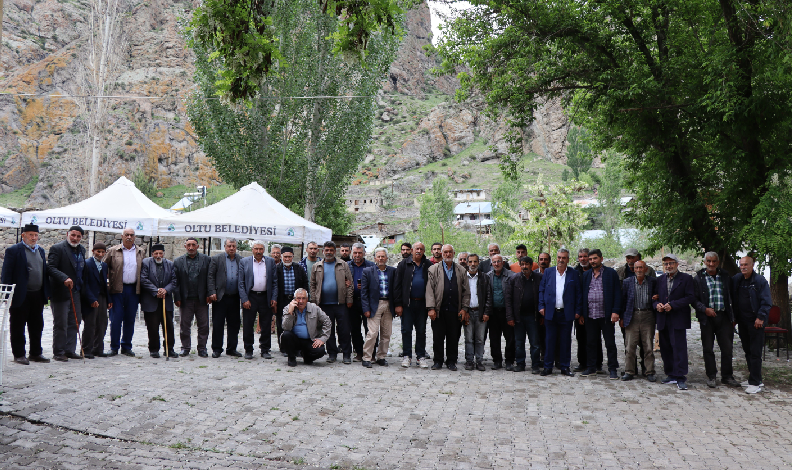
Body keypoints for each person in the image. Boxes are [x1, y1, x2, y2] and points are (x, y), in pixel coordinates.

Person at [1, 224, 50, 365]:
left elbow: (44, 272)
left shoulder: (40, 250)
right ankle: (19, 354)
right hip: (20, 294)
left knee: (37, 325)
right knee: (18, 325)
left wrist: (46, 292)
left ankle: (35, 353)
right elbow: (6, 274)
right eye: (31, 235)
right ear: (23, 235)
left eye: (36, 235)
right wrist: (7, 296)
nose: (34, 238)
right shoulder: (13, 250)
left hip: (37, 294)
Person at [693, 252, 739, 388]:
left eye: (714, 261)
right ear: (704, 262)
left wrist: (733, 316)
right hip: (706, 318)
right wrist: (704, 309)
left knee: (727, 348)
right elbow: (693, 299)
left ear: (718, 262)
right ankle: (711, 376)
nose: (711, 264)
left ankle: (727, 376)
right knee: (708, 348)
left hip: (723, 316)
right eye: (708, 261)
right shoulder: (698, 278)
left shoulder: (725, 276)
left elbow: (732, 296)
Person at [653, 254, 695, 390]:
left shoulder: (686, 278)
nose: (668, 266)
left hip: (678, 318)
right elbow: (654, 298)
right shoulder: (660, 279)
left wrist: (673, 305)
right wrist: (657, 305)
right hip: (663, 318)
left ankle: (680, 376)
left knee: (679, 347)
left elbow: (690, 297)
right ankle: (670, 373)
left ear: (677, 264)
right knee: (665, 347)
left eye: (671, 263)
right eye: (666, 264)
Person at [537, 248, 581, 377]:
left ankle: (565, 367)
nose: (561, 260)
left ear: (568, 259)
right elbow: (541, 290)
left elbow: (578, 293)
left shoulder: (573, 273)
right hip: (550, 312)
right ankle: (548, 367)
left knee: (565, 341)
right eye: (559, 257)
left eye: (564, 258)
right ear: (556, 258)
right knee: (549, 340)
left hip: (566, 313)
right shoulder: (549, 272)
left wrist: (578, 310)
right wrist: (541, 306)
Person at [426, 244, 470, 371]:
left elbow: (466, 292)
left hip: (455, 310)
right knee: (438, 337)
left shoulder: (461, 270)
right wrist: (431, 308)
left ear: (454, 253)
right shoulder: (433, 269)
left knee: (453, 337)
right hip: (439, 310)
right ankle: (438, 361)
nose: (448, 254)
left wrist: (464, 308)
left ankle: (451, 361)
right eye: (445, 252)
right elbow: (429, 290)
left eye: (450, 252)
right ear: (441, 253)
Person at [579, 249, 622, 379]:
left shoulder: (611, 273)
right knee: (591, 343)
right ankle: (591, 367)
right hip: (590, 314)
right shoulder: (586, 275)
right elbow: (582, 295)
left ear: (601, 259)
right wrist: (582, 313)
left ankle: (612, 369)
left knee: (610, 343)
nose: (592, 261)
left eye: (595, 258)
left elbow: (617, 293)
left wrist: (615, 311)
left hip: (606, 315)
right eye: (590, 259)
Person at [732, 256, 771, 394]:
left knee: (755, 352)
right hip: (742, 322)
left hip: (756, 323)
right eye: (741, 264)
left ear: (752, 265)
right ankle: (755, 378)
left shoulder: (760, 281)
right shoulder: (737, 279)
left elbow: (766, 301)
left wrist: (760, 317)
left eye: (746, 264)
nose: (743, 267)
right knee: (748, 350)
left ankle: (755, 383)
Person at [309, 241, 353, 364]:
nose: (329, 252)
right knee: (328, 330)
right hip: (323, 304)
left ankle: (346, 354)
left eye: (331, 250)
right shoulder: (317, 266)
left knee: (344, 330)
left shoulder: (343, 264)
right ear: (323, 251)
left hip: (341, 304)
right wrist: (314, 301)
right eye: (327, 250)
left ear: (335, 251)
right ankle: (332, 353)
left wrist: (349, 299)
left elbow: (350, 283)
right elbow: (312, 285)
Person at [47, 226, 87, 361]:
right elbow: (50, 268)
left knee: (75, 321)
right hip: (60, 291)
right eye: (73, 235)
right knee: (61, 323)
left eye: (78, 236)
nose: (75, 238)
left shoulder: (82, 250)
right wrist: (64, 278)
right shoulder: (57, 248)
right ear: (67, 234)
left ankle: (70, 350)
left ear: (81, 237)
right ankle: (59, 352)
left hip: (76, 291)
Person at [104, 228, 145, 356]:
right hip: (116, 289)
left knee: (130, 319)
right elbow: (103, 268)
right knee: (116, 319)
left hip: (133, 289)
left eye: (131, 235)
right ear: (122, 236)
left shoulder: (140, 252)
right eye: (126, 235)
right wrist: (107, 286)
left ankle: (126, 346)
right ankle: (114, 347)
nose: (129, 237)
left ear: (135, 237)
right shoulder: (113, 251)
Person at [394, 241, 432, 368]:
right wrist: (398, 304)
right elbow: (397, 285)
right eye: (417, 249)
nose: (419, 251)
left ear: (424, 251)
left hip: (422, 303)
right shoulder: (403, 264)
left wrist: (431, 305)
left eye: (421, 249)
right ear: (412, 250)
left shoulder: (428, 264)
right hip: (407, 304)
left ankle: (420, 356)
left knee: (421, 330)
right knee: (406, 330)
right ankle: (407, 356)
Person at [172, 238, 211, 357]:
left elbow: (210, 278)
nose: (191, 247)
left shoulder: (206, 259)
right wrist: (177, 297)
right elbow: (175, 281)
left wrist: (209, 294)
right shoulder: (178, 261)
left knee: (203, 325)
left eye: (193, 245)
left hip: (202, 299)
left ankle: (202, 348)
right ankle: (185, 348)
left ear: (198, 246)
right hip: (185, 299)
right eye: (188, 245)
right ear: (185, 246)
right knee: (184, 325)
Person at [239, 240, 278, 360]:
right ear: (252, 249)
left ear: (264, 250)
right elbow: (241, 283)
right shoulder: (244, 261)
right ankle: (248, 349)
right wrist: (244, 299)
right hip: (250, 297)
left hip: (266, 297)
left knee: (266, 324)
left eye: (261, 249)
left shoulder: (270, 261)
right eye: (256, 249)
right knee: (248, 324)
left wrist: (274, 297)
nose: (258, 251)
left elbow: (275, 282)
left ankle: (265, 349)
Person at [505, 256, 543, 374]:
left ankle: (535, 365)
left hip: (533, 316)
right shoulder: (513, 279)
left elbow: (543, 297)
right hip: (518, 317)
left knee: (535, 343)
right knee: (519, 342)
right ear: (520, 265)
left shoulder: (539, 278)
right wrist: (510, 317)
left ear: (531, 265)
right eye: (522, 264)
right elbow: (508, 299)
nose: (524, 266)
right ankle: (520, 364)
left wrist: (542, 316)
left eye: (527, 264)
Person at [621, 260, 657, 382]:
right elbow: (623, 301)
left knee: (648, 346)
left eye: (641, 267)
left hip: (648, 315)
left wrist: (656, 297)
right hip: (632, 315)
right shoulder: (627, 282)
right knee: (630, 346)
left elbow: (658, 295)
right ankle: (629, 371)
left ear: (646, 269)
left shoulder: (653, 281)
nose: (639, 270)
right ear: (633, 269)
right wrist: (622, 317)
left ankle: (649, 371)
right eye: (636, 268)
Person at [139, 244, 178, 358]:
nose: (158, 255)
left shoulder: (170, 264)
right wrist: (156, 291)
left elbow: (174, 280)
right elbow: (143, 279)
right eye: (156, 253)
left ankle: (169, 349)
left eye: (160, 253)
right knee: (152, 327)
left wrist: (165, 290)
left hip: (166, 300)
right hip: (151, 300)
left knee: (168, 326)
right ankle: (154, 349)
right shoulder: (146, 263)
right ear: (152, 254)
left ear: (164, 253)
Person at [361, 248, 397, 368]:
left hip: (389, 304)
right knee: (372, 333)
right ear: (375, 258)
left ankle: (381, 356)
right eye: (379, 256)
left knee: (386, 333)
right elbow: (364, 292)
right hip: (374, 305)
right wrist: (366, 308)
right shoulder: (367, 271)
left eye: (383, 256)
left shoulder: (393, 271)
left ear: (387, 258)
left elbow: (396, 289)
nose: (381, 258)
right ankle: (366, 357)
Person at [208, 238, 242, 358]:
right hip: (220, 297)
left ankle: (231, 348)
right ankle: (217, 349)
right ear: (225, 246)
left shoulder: (241, 260)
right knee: (218, 324)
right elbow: (210, 276)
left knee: (234, 324)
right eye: (229, 246)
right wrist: (212, 292)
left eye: (233, 246)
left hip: (235, 297)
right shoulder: (216, 259)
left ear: (236, 247)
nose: (231, 248)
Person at [281, 288, 331, 367]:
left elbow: (327, 321)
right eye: (298, 298)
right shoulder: (288, 308)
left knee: (320, 351)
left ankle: (307, 357)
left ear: (307, 299)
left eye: (303, 298)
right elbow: (286, 327)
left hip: (310, 339)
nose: (301, 301)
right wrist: (290, 313)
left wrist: (322, 338)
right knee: (286, 335)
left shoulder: (314, 308)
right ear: (294, 299)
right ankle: (291, 358)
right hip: (294, 340)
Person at [275, 247, 308, 356]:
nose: (287, 259)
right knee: (281, 323)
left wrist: (303, 299)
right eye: (285, 257)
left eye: (289, 256)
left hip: (297, 300)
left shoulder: (299, 268)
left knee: (296, 322)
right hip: (281, 299)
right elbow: (273, 285)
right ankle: (284, 348)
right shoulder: (277, 269)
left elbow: (305, 284)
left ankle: (296, 348)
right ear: (281, 257)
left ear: (293, 256)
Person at [572, 248, 600, 372]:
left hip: (595, 310)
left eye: (585, 256)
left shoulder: (595, 271)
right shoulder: (575, 272)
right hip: (579, 310)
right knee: (581, 337)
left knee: (594, 338)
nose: (583, 259)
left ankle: (597, 363)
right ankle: (583, 362)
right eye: (580, 256)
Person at [81, 242, 110, 359]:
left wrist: (108, 299)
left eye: (103, 252)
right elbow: (85, 283)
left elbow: (105, 284)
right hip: (91, 297)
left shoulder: (104, 265)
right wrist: (91, 299)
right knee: (90, 324)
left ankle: (98, 348)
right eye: (98, 252)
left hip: (102, 297)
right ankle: (86, 349)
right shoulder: (87, 264)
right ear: (93, 251)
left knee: (102, 323)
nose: (100, 254)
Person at [463, 253, 491, 371]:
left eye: (475, 261)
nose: (473, 264)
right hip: (468, 312)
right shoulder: (463, 277)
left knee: (480, 338)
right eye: (470, 262)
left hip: (480, 312)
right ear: (467, 263)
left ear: (478, 262)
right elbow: (460, 295)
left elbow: (489, 296)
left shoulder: (484, 277)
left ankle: (479, 361)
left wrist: (486, 312)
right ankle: (469, 361)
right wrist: (464, 310)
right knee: (468, 338)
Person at [487, 254, 516, 370]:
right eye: (494, 262)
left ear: (503, 263)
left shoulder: (511, 275)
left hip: (507, 311)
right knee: (494, 338)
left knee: (510, 337)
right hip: (493, 312)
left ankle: (509, 361)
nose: (496, 264)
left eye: (498, 261)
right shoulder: (488, 276)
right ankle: (497, 360)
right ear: (491, 263)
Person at [348, 243, 374, 362]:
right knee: (354, 329)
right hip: (352, 302)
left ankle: (371, 353)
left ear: (364, 253)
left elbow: (376, 282)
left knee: (370, 329)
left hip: (367, 302)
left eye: (359, 253)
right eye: (355, 253)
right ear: (351, 253)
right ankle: (359, 352)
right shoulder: (346, 265)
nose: (357, 255)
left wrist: (366, 285)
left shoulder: (371, 265)